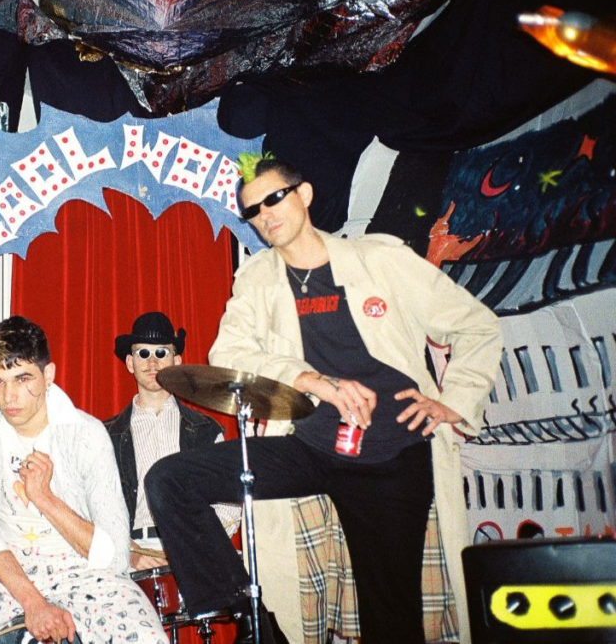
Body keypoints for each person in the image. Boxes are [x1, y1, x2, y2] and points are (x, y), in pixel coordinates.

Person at [145, 153, 502, 644]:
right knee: (170, 480)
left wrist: (453, 400)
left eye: (274, 199)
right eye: (253, 210)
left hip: (392, 454)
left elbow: (477, 325)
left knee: (391, 619)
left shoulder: (381, 259)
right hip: (310, 446)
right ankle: (245, 614)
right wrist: (312, 380)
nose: (265, 215)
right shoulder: (257, 278)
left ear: (304, 194)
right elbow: (228, 352)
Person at [0, 316, 167, 644]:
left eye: (22, 379)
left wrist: (45, 498)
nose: (8, 396)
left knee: (146, 637)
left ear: (48, 375)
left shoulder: (86, 433)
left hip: (82, 571)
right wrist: (34, 604)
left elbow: (115, 556)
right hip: (3, 567)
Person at [105, 311, 239, 571]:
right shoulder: (106, 436)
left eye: (161, 352)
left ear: (176, 361)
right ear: (130, 363)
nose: (152, 362)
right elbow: (95, 507)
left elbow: (230, 505)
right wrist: (128, 552)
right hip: (131, 556)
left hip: (197, 550)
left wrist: (193, 544)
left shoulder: (206, 431)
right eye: (143, 353)